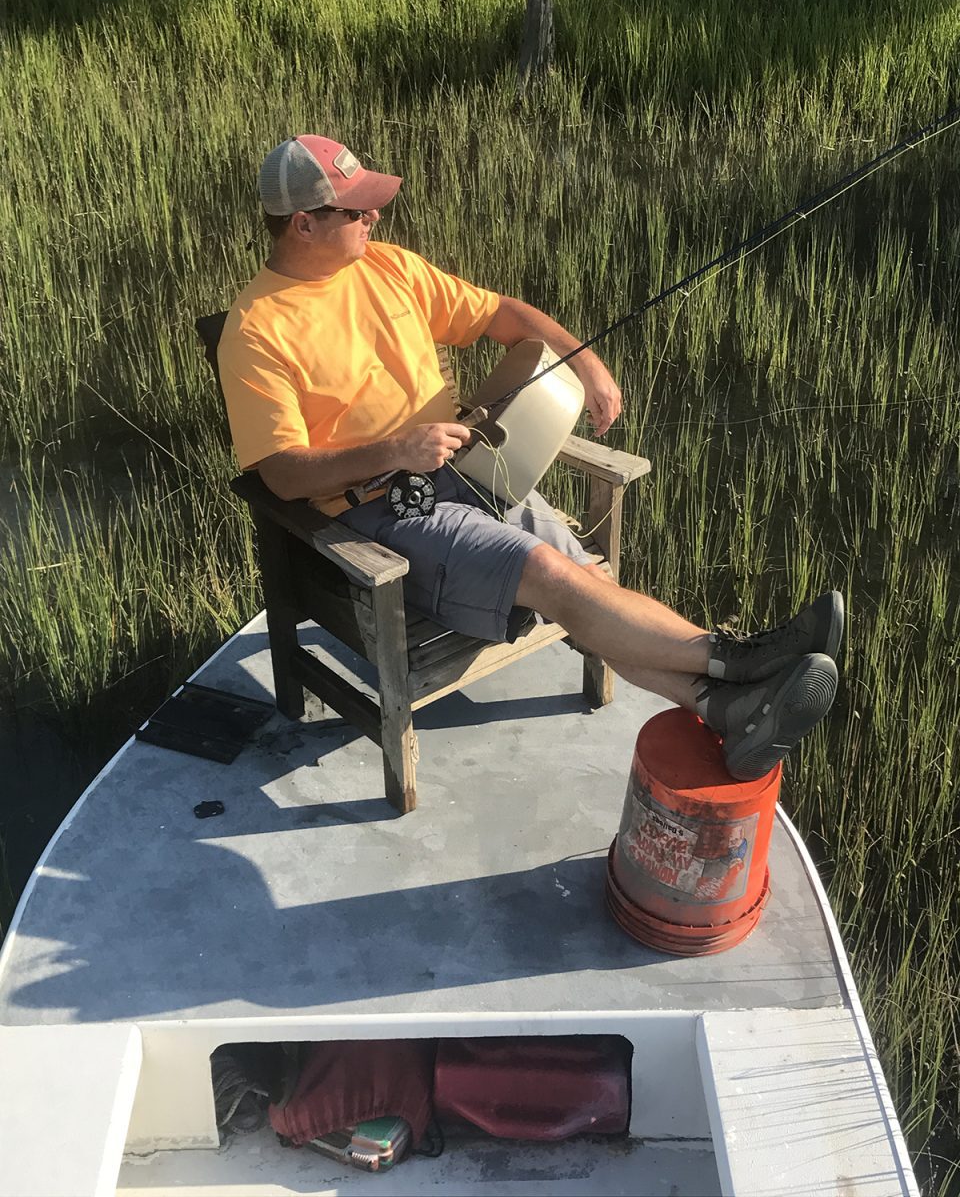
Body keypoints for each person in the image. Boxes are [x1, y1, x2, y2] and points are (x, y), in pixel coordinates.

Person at [218, 134, 842, 780]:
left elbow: (504, 316)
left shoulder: (388, 268)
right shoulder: (258, 328)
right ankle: (743, 657)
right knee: (551, 571)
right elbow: (282, 474)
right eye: (357, 211)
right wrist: (395, 449)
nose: (374, 217)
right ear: (304, 223)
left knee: (591, 588)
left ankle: (728, 708)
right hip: (384, 514)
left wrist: (586, 362)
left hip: (467, 472)